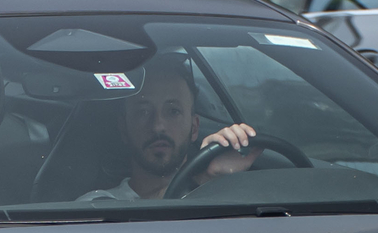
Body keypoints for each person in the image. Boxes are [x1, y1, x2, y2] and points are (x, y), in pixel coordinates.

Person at [79, 57, 260, 201]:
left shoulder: (230, 198)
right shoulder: (96, 205)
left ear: (194, 127)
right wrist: (202, 180)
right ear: (124, 129)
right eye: (143, 112)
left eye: (173, 111)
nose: (158, 126)